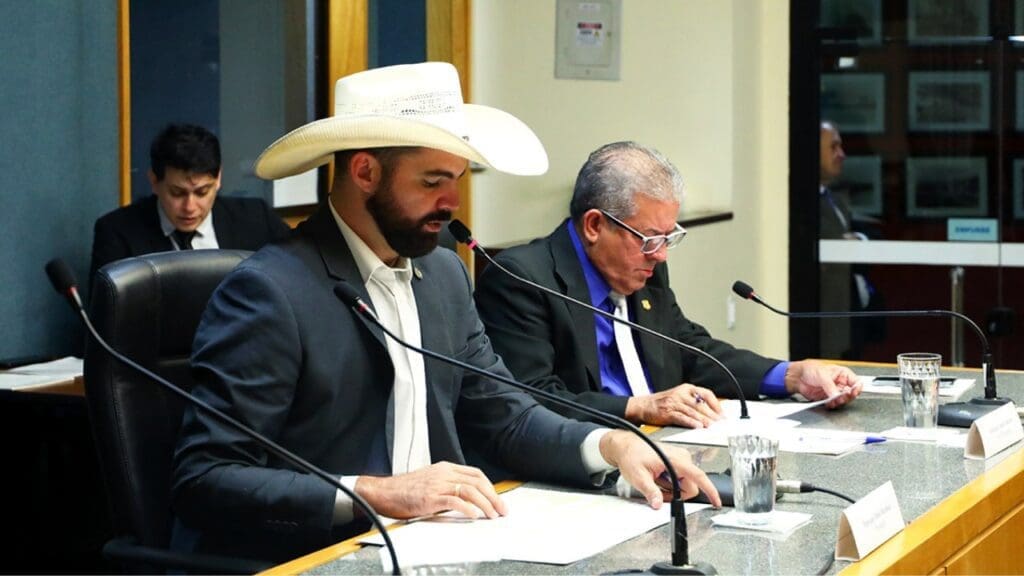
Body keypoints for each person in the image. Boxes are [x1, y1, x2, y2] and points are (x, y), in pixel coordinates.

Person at [170, 63, 718, 562]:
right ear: (365, 173)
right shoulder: (270, 291)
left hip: (439, 547)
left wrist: (611, 444)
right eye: (432, 181)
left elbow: (506, 415)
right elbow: (206, 477)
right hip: (323, 556)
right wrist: (375, 491)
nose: (452, 202)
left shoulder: (445, 276)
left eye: (457, 179)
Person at [474, 141, 862, 430]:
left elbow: (690, 349)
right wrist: (641, 407)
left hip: (669, 451)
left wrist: (792, 375)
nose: (660, 255)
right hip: (585, 466)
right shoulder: (522, 279)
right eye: (648, 239)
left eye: (667, 237)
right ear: (594, 225)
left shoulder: (645, 268)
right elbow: (532, 399)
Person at [89, 123, 291, 284]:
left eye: (202, 192)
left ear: (218, 179)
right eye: (177, 193)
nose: (190, 207)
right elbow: (110, 318)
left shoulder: (256, 219)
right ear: (154, 181)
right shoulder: (117, 232)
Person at [819, 120, 884, 359]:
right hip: (825, 321)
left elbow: (859, 235)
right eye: (833, 147)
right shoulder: (803, 203)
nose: (842, 155)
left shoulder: (836, 197)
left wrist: (855, 239)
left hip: (848, 314)